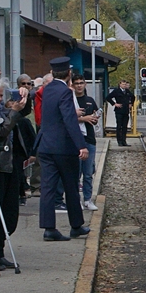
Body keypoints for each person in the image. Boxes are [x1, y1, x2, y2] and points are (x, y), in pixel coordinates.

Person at [36, 57, 90, 241]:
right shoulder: (66, 92)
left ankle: (49, 228)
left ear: (52, 73)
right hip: (64, 148)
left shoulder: (47, 89)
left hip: (45, 146)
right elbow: (69, 119)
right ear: (69, 74)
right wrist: (81, 145)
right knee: (71, 187)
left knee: (48, 188)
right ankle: (76, 226)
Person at [0, 79, 31, 270]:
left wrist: (25, 95)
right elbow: (2, 131)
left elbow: (22, 112)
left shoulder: (5, 111)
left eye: (1, 95)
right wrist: (13, 112)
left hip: (11, 166)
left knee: (10, 212)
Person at [71, 76, 101, 211]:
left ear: (85, 85)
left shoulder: (90, 101)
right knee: (75, 173)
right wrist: (83, 118)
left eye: (81, 83)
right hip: (75, 140)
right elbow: (67, 118)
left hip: (89, 139)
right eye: (76, 83)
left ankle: (88, 199)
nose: (79, 86)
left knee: (88, 172)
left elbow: (94, 118)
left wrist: (94, 119)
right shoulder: (70, 101)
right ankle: (75, 200)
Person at [105, 78, 135, 146]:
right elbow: (108, 97)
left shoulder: (127, 91)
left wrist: (131, 104)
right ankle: (119, 141)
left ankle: (124, 141)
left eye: (125, 84)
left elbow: (133, 97)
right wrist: (114, 104)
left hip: (126, 110)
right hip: (119, 111)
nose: (124, 85)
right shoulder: (116, 91)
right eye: (123, 84)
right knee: (119, 126)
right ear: (120, 84)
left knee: (125, 127)